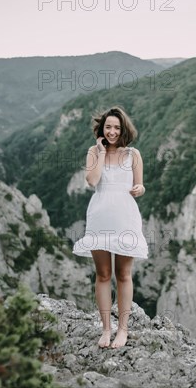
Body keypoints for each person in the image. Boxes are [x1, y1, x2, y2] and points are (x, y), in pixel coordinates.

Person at [72, 106, 149, 349]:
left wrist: (140, 189)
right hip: (100, 217)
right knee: (103, 275)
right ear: (102, 129)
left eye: (116, 127)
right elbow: (93, 180)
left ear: (123, 128)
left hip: (125, 217)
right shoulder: (93, 152)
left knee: (124, 275)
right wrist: (102, 152)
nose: (113, 131)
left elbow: (140, 185)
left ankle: (123, 330)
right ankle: (106, 329)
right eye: (108, 127)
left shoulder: (133, 154)